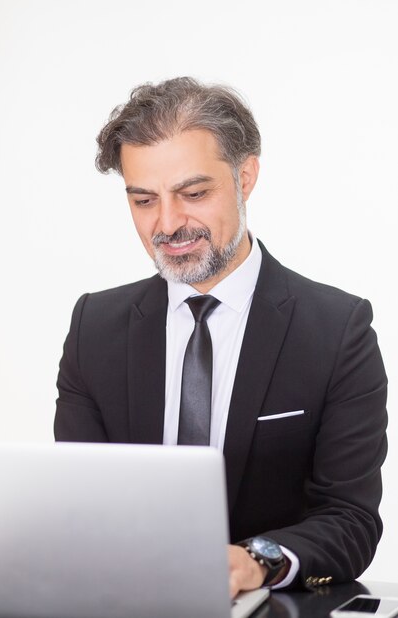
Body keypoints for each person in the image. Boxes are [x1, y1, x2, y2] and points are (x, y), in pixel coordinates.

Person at [54, 77, 388, 597]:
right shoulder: (93, 329)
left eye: (194, 193)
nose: (167, 223)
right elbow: (77, 507)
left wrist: (258, 561)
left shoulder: (337, 330)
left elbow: (350, 520)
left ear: (245, 176)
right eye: (143, 200)